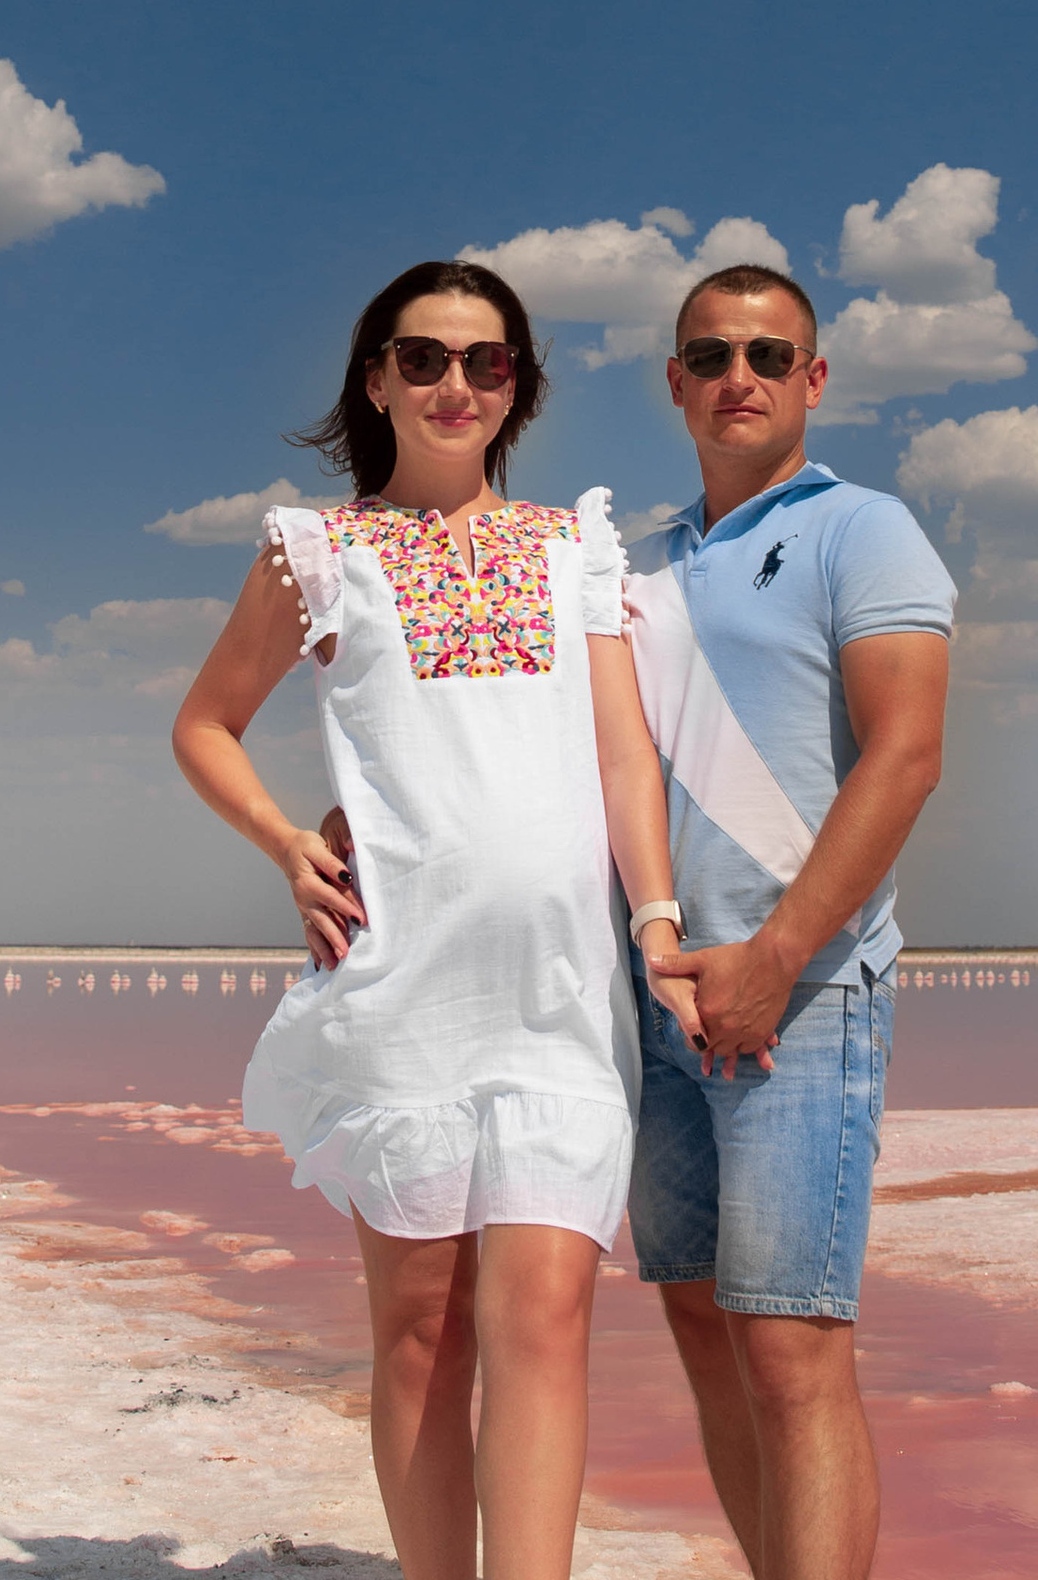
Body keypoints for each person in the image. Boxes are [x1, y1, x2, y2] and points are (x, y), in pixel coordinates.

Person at [173, 260, 697, 1580]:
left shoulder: (576, 548)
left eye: (487, 361)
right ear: (375, 380)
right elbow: (204, 724)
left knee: (548, 1319)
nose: (454, 383)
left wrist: (658, 924)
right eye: (423, 358)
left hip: (562, 995)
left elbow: (625, 758)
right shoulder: (320, 553)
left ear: (518, 387)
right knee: (422, 1330)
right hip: (401, 990)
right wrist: (289, 843)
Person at [628, 263, 953, 1580]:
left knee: (793, 1351)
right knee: (705, 1328)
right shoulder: (640, 570)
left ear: (813, 380)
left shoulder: (861, 531)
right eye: (710, 356)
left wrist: (773, 959)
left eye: (769, 356)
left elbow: (906, 755)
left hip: (802, 1001)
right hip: (659, 1006)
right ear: (676, 383)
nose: (738, 379)